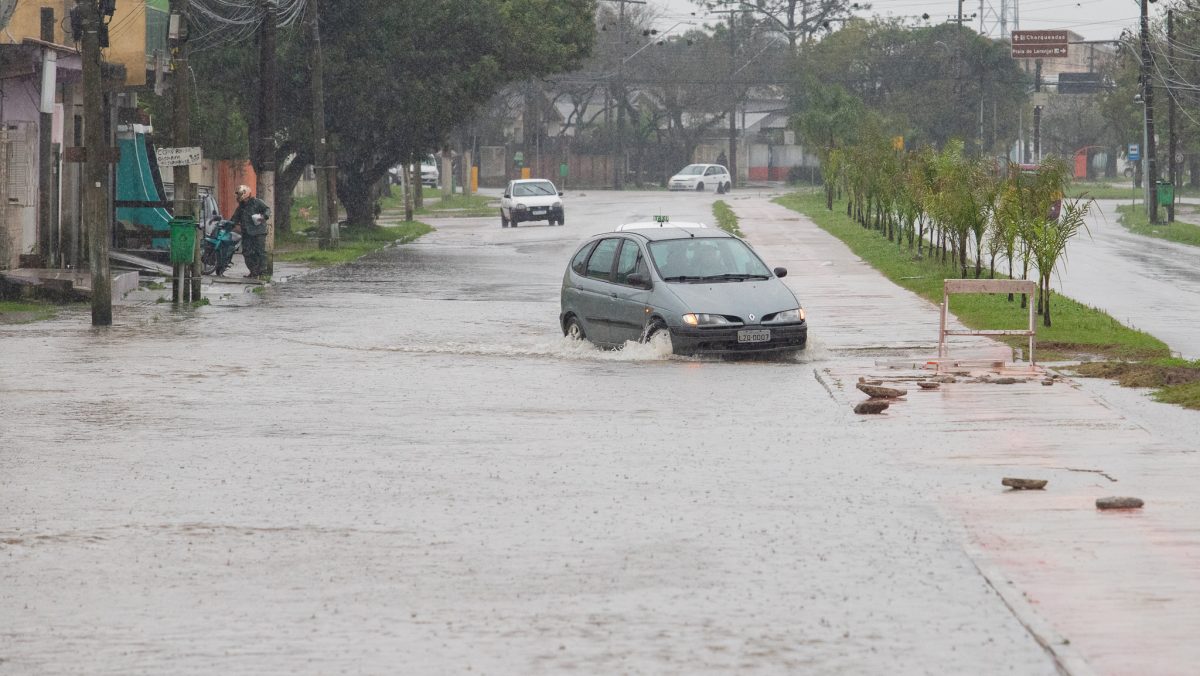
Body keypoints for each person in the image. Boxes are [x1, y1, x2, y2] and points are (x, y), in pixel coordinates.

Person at [230, 184, 270, 278]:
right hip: (247, 233)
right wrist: (230, 224)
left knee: (260, 252)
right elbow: (235, 218)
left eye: (239, 194)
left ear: (245, 193)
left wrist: (263, 216)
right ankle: (253, 271)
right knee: (247, 253)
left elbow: (267, 209)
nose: (237, 196)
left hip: (259, 232)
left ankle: (262, 272)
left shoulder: (256, 202)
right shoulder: (241, 207)